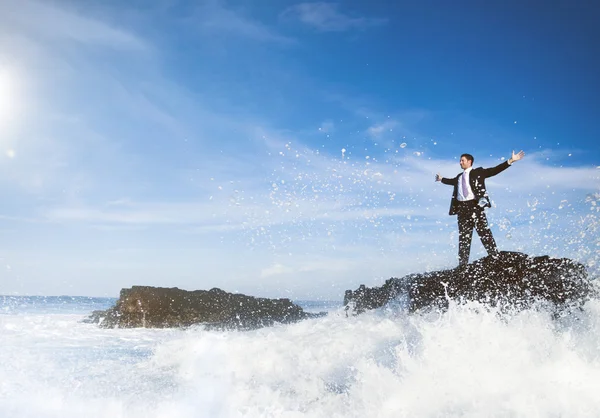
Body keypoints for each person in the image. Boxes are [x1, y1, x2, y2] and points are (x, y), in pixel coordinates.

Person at [435, 150, 525, 266]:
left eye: (462, 160)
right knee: (464, 238)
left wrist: (511, 161)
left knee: (484, 233)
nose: (460, 162)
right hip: (462, 209)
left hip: (475, 206)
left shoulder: (478, 172)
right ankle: (463, 265)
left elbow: (494, 170)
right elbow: (451, 181)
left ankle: (494, 257)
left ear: (469, 161)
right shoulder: (459, 177)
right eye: (460, 160)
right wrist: (441, 179)